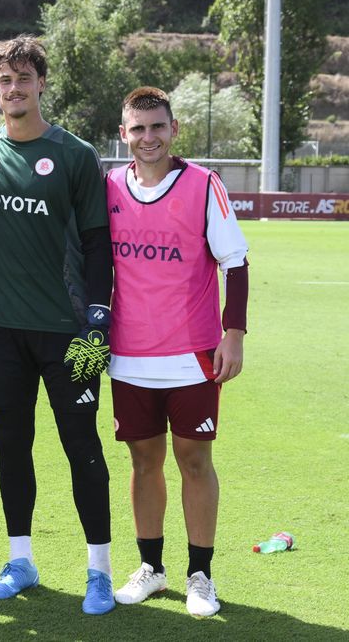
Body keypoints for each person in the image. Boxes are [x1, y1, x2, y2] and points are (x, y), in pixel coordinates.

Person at [0, 36, 116, 614]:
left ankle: (99, 570)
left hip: (67, 329)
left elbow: (99, 244)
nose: (14, 89)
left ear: (41, 84)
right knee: (10, 445)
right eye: (4, 80)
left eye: (24, 78)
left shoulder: (75, 155)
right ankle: (20, 559)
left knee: (82, 445)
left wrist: (99, 319)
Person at [107, 87, 248, 617]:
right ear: (124, 135)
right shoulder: (109, 186)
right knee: (144, 462)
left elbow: (235, 262)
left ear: (174, 129)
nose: (148, 138)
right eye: (137, 129)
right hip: (129, 355)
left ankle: (200, 576)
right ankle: (152, 568)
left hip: (192, 354)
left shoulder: (202, 184)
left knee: (194, 461)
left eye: (157, 127)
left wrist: (232, 334)